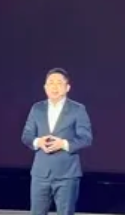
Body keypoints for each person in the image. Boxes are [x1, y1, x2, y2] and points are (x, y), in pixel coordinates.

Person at [20, 68, 93, 215]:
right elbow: (26, 136)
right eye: (51, 83)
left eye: (59, 83)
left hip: (67, 174)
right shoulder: (37, 109)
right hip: (41, 173)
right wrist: (38, 142)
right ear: (45, 87)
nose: (54, 87)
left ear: (67, 87)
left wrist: (63, 144)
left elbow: (86, 138)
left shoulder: (78, 109)